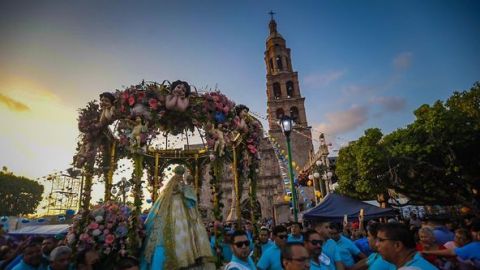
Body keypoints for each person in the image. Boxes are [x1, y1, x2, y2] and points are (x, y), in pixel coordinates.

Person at [141, 166, 214, 270]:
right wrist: (183, 190)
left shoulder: (178, 185)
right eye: (179, 175)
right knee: (180, 230)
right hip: (176, 209)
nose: (179, 178)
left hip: (180, 209)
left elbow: (188, 197)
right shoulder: (177, 185)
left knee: (184, 230)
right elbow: (182, 196)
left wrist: (185, 190)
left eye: (180, 176)